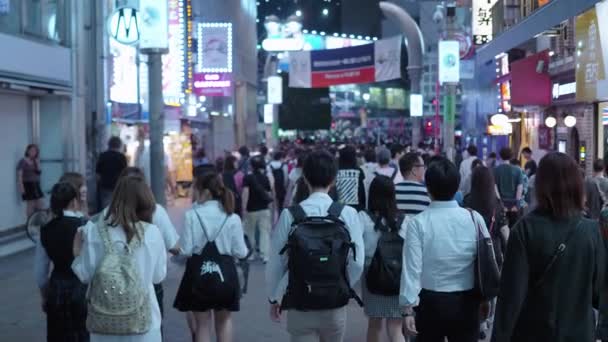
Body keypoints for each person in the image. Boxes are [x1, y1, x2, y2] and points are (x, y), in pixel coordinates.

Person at [491, 152, 606, 342]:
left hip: (533, 332)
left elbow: (511, 296)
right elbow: (599, 294)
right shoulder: (592, 231)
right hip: (579, 333)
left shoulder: (524, 229)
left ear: (540, 186)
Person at [267, 149, 365, 342]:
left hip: (299, 301)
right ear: (333, 179)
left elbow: (276, 262)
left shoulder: (290, 215)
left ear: (304, 178)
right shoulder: (347, 214)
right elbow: (357, 262)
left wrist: (275, 297)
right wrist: (342, 284)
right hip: (334, 303)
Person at [401, 157, 490, 342]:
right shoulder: (475, 218)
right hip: (467, 301)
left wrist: (408, 309)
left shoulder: (418, 223)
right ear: (457, 187)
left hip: (429, 302)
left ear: (428, 188)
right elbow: (487, 262)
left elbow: (412, 269)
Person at [72, 175, 167, 342]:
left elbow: (85, 276)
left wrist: (76, 254)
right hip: (143, 323)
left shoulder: (95, 231)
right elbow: (158, 276)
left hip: (104, 324)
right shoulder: (152, 232)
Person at [174, 172, 249, 342]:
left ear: (205, 192)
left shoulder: (191, 215)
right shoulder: (232, 217)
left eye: (196, 189)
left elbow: (185, 250)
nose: (194, 193)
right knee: (224, 321)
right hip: (226, 277)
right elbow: (241, 252)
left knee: (202, 325)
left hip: (198, 276)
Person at [35, 182, 88, 342]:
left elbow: (40, 273)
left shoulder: (45, 230)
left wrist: (45, 296)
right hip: (82, 288)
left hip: (57, 287)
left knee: (58, 335)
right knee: (83, 334)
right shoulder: (86, 226)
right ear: (74, 201)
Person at [463, 166, 510, 339]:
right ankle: (488, 318)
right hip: (493, 253)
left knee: (475, 285)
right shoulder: (497, 204)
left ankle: (479, 320)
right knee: (491, 286)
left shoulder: (467, 201)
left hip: (471, 251)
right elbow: (505, 231)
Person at [359, 176, 406, 342]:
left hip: (373, 276)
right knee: (396, 328)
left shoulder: (363, 218)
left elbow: (359, 250)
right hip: (398, 277)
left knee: (374, 325)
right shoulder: (403, 220)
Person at [242, 155, 273, 263]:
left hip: (251, 209)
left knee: (250, 232)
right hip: (264, 209)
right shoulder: (265, 178)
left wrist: (244, 208)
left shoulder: (247, 178)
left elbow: (245, 193)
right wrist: (271, 209)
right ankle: (265, 255)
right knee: (264, 232)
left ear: (251, 166)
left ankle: (252, 253)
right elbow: (269, 194)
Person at [96, 136, 127, 211]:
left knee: (105, 206)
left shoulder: (103, 156)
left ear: (109, 145)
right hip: (118, 186)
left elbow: (98, 174)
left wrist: (99, 184)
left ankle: (106, 221)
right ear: (119, 145)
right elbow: (125, 173)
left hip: (105, 185)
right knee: (118, 206)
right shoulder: (122, 157)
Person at [494, 148, 523, 227]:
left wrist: (499, 201)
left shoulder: (496, 170)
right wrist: (517, 204)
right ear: (512, 156)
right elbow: (519, 189)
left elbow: (495, 187)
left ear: (500, 156)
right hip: (514, 204)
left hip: (501, 204)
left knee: (502, 228)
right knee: (513, 227)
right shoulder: (518, 170)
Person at [336, 145, 366, 211]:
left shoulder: (336, 171)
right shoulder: (359, 171)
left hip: (337, 208)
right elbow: (362, 191)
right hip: (355, 208)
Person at [17, 144, 44, 217]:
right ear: (27, 151)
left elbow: (39, 173)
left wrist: (37, 163)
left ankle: (38, 222)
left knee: (40, 204)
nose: (33, 152)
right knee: (30, 205)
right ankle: (30, 223)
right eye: (31, 150)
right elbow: (19, 176)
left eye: (35, 151)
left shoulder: (35, 161)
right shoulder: (22, 161)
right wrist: (22, 189)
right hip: (27, 185)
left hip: (36, 184)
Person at [269, 151, 289, 215]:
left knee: (272, 205)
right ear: (281, 157)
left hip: (272, 188)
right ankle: (280, 216)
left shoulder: (269, 165)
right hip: (281, 188)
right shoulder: (284, 165)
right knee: (281, 205)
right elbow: (286, 178)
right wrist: (285, 187)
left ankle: (273, 219)